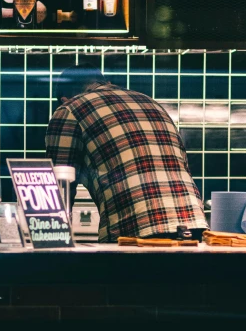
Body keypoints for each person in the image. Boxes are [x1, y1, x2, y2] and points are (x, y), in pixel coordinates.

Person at [45, 63, 208, 243]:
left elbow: (57, 190)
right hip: (193, 225)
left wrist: (49, 250)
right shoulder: (150, 102)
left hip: (135, 229)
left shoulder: (69, 109)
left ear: (63, 98)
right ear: (105, 82)